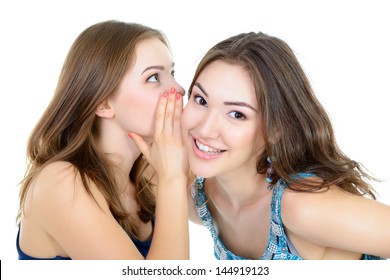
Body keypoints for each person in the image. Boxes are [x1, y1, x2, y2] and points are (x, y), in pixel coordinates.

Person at [182, 31, 390, 260]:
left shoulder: (302, 207)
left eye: (237, 114)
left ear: (275, 129)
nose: (204, 129)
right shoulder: (201, 197)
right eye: (200, 100)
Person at [16, 20, 189, 260]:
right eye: (153, 78)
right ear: (103, 103)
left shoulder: (149, 171)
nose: (179, 89)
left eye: (172, 73)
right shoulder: (62, 183)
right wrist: (173, 179)